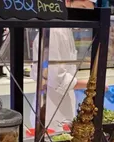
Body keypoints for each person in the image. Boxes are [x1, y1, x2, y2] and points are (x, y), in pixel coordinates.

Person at [29, 0, 94, 131]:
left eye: (89, 11)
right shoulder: (54, 30)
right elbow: (56, 77)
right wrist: (91, 85)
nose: (83, 14)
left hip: (63, 109)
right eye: (82, 8)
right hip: (49, 112)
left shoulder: (66, 28)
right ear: (67, 2)